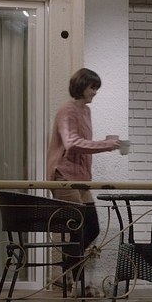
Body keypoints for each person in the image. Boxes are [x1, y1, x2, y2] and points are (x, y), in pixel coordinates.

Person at [47, 68, 120, 286]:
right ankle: (75, 282)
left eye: (96, 88)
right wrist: (106, 145)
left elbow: (82, 142)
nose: (95, 92)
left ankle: (66, 273)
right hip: (64, 175)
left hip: (80, 177)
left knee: (92, 227)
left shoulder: (85, 111)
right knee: (78, 228)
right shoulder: (67, 110)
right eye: (92, 87)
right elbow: (71, 143)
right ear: (81, 86)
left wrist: (107, 142)